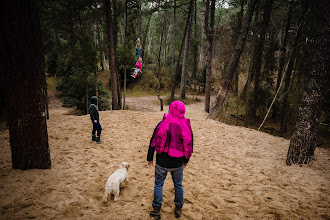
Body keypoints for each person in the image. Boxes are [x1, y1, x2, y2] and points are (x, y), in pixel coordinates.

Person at [147, 100, 193, 219]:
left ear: (170, 109)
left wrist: (150, 158)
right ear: (183, 111)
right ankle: (178, 209)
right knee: (178, 185)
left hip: (162, 161)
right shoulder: (185, 125)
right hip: (177, 162)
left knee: (158, 184)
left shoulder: (162, 123)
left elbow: (153, 141)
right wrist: (186, 160)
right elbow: (189, 143)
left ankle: (156, 209)